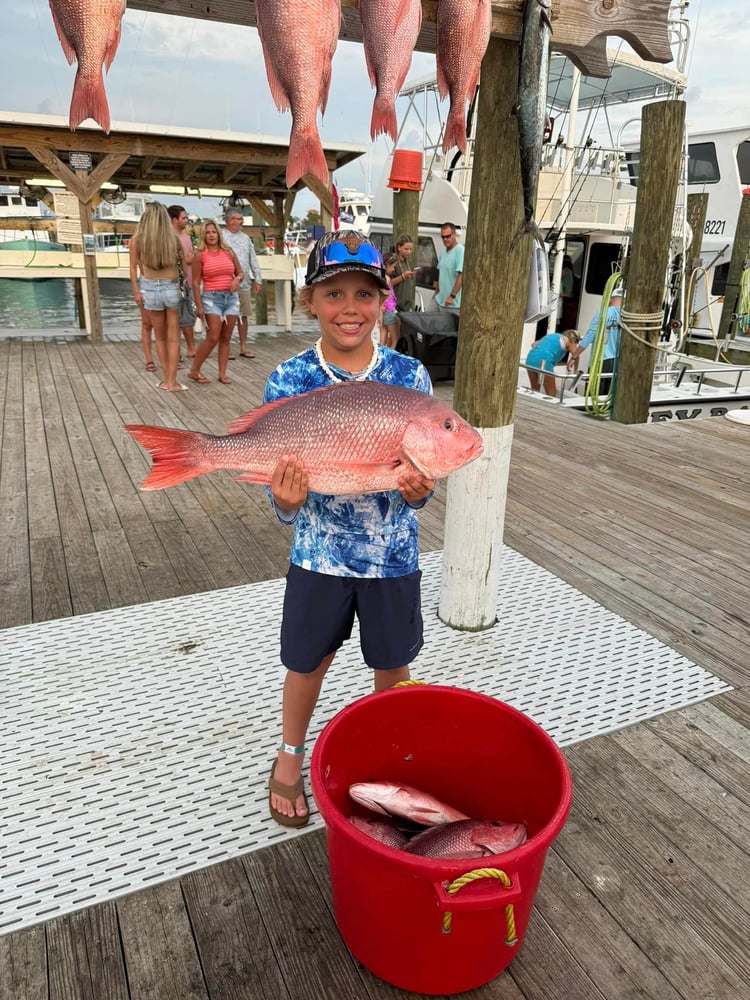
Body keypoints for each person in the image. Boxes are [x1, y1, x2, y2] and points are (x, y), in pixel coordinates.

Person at [265, 230, 435, 827]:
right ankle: (290, 756)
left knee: (393, 665)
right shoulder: (289, 379)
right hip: (318, 555)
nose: (349, 308)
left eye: (364, 295)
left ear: (381, 303)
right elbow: (278, 490)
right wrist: (285, 501)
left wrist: (421, 490)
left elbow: (420, 470)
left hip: (393, 558)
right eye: (334, 293)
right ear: (311, 301)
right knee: (307, 661)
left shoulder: (409, 376)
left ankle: (388, 761)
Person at [129, 201, 185, 392]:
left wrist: (137, 291)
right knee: (174, 338)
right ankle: (173, 381)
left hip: (150, 288)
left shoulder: (137, 240)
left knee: (159, 337)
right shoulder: (173, 239)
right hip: (171, 287)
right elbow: (182, 268)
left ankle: (165, 380)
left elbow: (133, 268)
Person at [188, 221, 244, 385]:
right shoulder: (200, 255)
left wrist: (237, 279)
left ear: (218, 234)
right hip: (211, 299)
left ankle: (222, 373)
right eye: (208, 232)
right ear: (203, 235)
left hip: (231, 298)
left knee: (226, 337)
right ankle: (194, 370)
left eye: (214, 232)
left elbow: (240, 272)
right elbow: (196, 282)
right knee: (213, 337)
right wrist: (198, 306)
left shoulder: (228, 252)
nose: (211, 235)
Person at [222, 208, 263, 359]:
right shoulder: (221, 236)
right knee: (227, 316)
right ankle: (226, 348)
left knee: (243, 315)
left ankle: (243, 347)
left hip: (244, 283)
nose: (242, 221)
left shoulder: (246, 238)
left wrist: (258, 279)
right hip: (225, 283)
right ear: (230, 220)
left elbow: (253, 259)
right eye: (239, 218)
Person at [568, 286, 623, 394]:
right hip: (616, 362)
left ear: (611, 298)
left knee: (592, 396)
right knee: (607, 397)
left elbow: (590, 336)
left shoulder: (603, 312)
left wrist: (574, 356)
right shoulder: (626, 316)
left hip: (601, 360)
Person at [168, 204, 197, 359]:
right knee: (175, 319)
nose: (186, 220)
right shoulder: (169, 237)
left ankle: (191, 349)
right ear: (175, 220)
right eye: (183, 218)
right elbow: (187, 258)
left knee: (188, 317)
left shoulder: (186, 236)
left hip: (188, 284)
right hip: (175, 283)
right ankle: (176, 352)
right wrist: (198, 255)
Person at [525, 329, 581, 396]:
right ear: (575, 340)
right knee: (551, 394)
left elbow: (533, 344)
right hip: (545, 361)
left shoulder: (552, 335)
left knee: (535, 390)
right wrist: (575, 371)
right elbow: (576, 355)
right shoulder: (570, 341)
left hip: (531, 359)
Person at [434, 222, 464, 311]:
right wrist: (436, 292)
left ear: (454, 235)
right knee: (424, 320)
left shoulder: (461, 251)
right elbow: (441, 274)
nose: (445, 239)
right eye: (443, 237)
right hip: (439, 300)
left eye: (448, 236)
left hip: (452, 304)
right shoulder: (442, 252)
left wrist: (452, 296)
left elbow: (461, 276)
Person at [391, 233, 416, 312]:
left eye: (410, 249)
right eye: (406, 249)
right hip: (396, 307)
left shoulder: (408, 262)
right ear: (399, 247)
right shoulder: (392, 262)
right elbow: (388, 283)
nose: (409, 252)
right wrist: (403, 276)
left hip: (408, 306)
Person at [379, 254, 399, 348]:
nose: (394, 269)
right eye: (393, 267)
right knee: (395, 339)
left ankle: (380, 355)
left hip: (383, 311)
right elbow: (385, 294)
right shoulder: (386, 279)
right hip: (389, 310)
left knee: (383, 334)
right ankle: (391, 358)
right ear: (387, 265)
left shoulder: (380, 277)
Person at [139, 303, 155, 372]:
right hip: (145, 293)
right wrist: (137, 292)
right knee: (147, 324)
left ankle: (172, 359)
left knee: (168, 324)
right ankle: (149, 360)